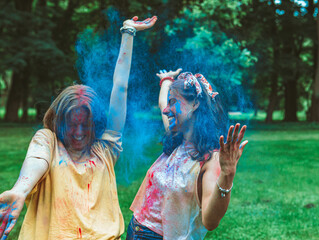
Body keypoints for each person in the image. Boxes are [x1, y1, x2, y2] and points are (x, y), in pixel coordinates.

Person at [0, 16, 157, 240]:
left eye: (86, 124)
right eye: (72, 124)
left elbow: (120, 89)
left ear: (97, 124)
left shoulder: (105, 150)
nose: (79, 132)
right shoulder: (48, 141)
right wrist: (20, 190)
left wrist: (128, 32)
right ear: (58, 121)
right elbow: (36, 159)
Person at [127, 69, 248, 239]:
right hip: (134, 230)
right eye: (169, 103)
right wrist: (167, 80)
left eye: (173, 102)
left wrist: (227, 174)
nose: (166, 110)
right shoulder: (177, 137)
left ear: (195, 104)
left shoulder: (210, 159)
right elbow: (163, 103)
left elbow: (210, 221)